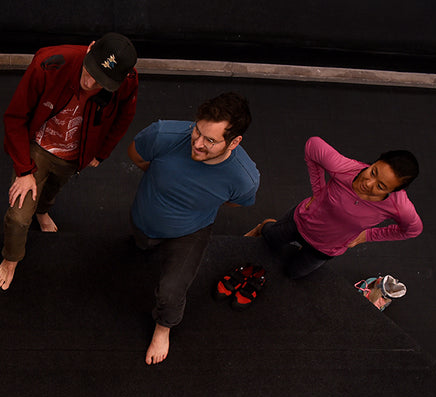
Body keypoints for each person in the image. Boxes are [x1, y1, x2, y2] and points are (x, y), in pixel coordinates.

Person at [0, 33, 139, 290]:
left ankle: (42, 211)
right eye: (91, 70)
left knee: (52, 190)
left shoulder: (127, 81)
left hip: (77, 153)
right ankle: (11, 258)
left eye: (101, 81)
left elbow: (124, 116)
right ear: (90, 48)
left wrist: (101, 152)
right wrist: (24, 171)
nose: (90, 82)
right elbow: (15, 118)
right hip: (38, 147)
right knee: (18, 217)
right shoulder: (49, 63)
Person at [129, 93, 260, 365]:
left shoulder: (244, 178)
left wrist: (198, 202)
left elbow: (236, 202)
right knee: (139, 243)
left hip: (192, 230)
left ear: (234, 142)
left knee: (171, 291)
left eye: (210, 140)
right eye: (197, 131)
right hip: (145, 217)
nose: (197, 144)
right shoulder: (163, 134)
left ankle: (163, 328)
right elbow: (136, 155)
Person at [245, 139, 421, 278]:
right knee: (269, 239)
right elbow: (313, 145)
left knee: (292, 273)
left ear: (395, 191)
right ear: (375, 161)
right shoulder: (345, 169)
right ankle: (265, 225)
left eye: (381, 186)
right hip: (301, 222)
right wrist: (318, 192)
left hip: (326, 248)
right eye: (373, 172)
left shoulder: (399, 207)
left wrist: (367, 236)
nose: (368, 183)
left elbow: (411, 230)